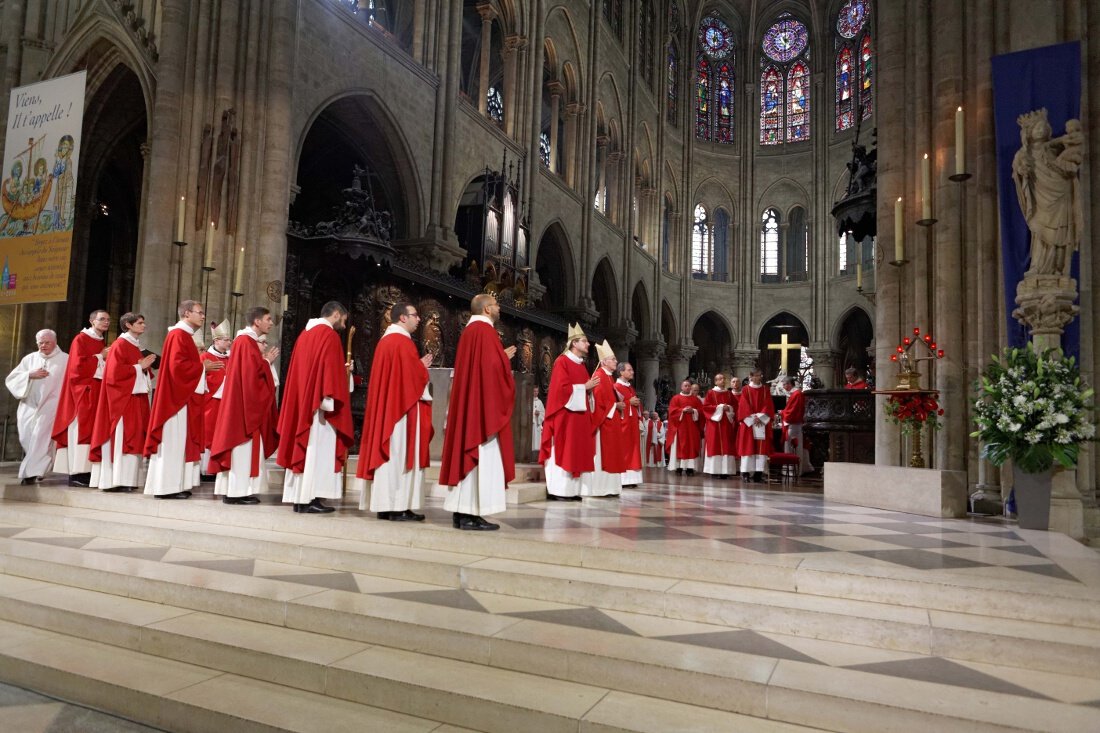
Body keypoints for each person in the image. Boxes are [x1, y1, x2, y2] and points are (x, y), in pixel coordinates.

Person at [439, 293, 516, 530]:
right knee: (481, 455)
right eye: (496, 305)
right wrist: (504, 358)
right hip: (481, 413)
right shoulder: (484, 332)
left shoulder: (471, 332)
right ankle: (471, 514)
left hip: (471, 407)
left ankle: (462, 512)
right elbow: (490, 370)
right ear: (486, 310)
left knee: (470, 455)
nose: (499, 308)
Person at [355, 301, 433, 522]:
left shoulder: (386, 341)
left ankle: (386, 505)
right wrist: (422, 368)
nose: (419, 319)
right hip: (400, 414)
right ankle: (398, 506)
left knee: (390, 458)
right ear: (402, 318)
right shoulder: (401, 342)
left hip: (388, 410)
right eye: (415, 315)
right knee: (398, 455)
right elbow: (410, 380)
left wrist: (416, 366)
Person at [277, 301, 354, 514]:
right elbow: (327, 373)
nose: (344, 326)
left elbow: (316, 369)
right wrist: (336, 387)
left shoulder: (305, 334)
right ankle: (309, 497)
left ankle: (300, 498)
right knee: (316, 450)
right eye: (344, 320)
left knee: (306, 448)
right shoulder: (328, 336)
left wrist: (341, 371)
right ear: (337, 314)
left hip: (304, 403)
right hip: (320, 409)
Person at [208, 307, 280, 505]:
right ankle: (237, 491)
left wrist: (264, 362)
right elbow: (250, 378)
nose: (271, 323)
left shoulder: (245, 342)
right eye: (268, 319)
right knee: (241, 447)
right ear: (257, 322)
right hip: (243, 408)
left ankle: (236, 490)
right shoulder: (246, 342)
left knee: (244, 449)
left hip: (241, 404)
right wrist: (266, 362)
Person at [145, 301, 215, 499]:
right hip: (176, 399)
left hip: (182, 396)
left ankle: (176, 485)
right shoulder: (178, 335)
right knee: (173, 442)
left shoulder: (184, 335)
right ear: (186, 314)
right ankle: (166, 487)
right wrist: (203, 368)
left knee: (179, 442)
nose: (202, 316)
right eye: (199, 313)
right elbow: (178, 368)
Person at [89, 313, 155, 492]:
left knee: (134, 438)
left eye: (143, 322)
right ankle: (115, 480)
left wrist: (145, 369)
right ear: (128, 324)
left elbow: (137, 369)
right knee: (122, 439)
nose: (144, 325)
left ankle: (128, 480)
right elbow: (113, 374)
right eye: (140, 323)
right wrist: (138, 367)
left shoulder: (135, 346)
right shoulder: (120, 344)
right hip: (122, 401)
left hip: (135, 398)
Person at [539, 323, 600, 500]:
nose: (588, 344)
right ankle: (558, 490)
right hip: (564, 417)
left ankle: (572, 491)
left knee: (577, 452)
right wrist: (584, 387)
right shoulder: (562, 362)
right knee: (564, 450)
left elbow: (583, 390)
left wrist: (588, 390)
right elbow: (560, 391)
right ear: (574, 343)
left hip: (579, 418)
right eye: (584, 341)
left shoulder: (581, 366)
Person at [51, 310, 109, 486]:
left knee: (92, 431)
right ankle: (76, 473)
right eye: (101, 319)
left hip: (96, 391)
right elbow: (77, 367)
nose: (106, 322)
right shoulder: (81, 339)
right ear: (92, 321)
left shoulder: (101, 341)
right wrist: (101, 357)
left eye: (108, 320)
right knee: (81, 430)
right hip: (83, 392)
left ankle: (89, 471)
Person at [5, 329, 68, 484]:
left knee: (41, 438)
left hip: (51, 407)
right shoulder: (30, 359)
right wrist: (29, 375)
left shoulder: (65, 359)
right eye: (40, 342)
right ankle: (39, 467)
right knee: (26, 437)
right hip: (28, 406)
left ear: (55, 342)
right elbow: (11, 378)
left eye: (47, 342)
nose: (43, 345)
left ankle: (30, 474)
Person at [581, 340, 624, 498]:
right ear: (604, 362)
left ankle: (610, 488)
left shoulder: (609, 377)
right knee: (602, 456)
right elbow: (597, 402)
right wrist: (615, 406)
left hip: (610, 422)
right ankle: (600, 488)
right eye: (613, 359)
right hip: (603, 424)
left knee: (613, 455)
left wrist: (616, 405)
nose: (616, 361)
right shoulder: (599, 376)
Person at [199, 319, 231, 479]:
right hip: (210, 402)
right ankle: (206, 469)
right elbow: (199, 379)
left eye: (229, 339)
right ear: (216, 340)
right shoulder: (205, 356)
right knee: (208, 433)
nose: (229, 342)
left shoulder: (230, 358)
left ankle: (218, 466)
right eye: (226, 340)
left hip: (225, 404)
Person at [736, 368, 776, 483]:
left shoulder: (765, 390)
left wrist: (761, 417)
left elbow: (768, 404)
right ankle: (745, 472)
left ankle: (758, 473)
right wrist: (753, 418)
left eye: (760, 375)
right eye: (756, 375)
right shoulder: (745, 389)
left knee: (760, 448)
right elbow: (743, 405)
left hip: (761, 423)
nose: (759, 377)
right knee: (748, 447)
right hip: (749, 423)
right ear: (751, 377)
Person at [702, 373, 738, 479]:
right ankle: (714, 470)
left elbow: (735, 406)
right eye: (720, 379)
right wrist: (721, 407)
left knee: (727, 446)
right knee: (714, 445)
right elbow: (706, 407)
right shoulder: (710, 393)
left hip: (726, 424)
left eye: (724, 378)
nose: (723, 380)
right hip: (714, 424)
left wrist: (729, 409)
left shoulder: (729, 393)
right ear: (716, 382)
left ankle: (725, 471)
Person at [613, 362, 643, 488]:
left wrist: (636, 404)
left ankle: (632, 478)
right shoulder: (616, 386)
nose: (632, 372)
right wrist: (628, 402)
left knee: (634, 450)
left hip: (632, 424)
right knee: (624, 450)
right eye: (629, 370)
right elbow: (613, 404)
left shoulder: (630, 388)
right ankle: (623, 480)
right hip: (622, 424)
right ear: (621, 372)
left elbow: (634, 404)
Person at [666, 379, 701, 475]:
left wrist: (694, 411)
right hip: (679, 427)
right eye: (685, 385)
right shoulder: (675, 398)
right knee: (679, 447)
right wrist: (682, 410)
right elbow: (672, 412)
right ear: (681, 387)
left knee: (691, 446)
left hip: (692, 428)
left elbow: (701, 411)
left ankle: (690, 468)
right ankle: (678, 468)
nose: (687, 387)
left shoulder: (695, 399)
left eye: (689, 386)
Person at [780, 376, 812, 475]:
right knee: (794, 446)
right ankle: (795, 469)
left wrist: (782, 413)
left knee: (792, 446)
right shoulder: (796, 394)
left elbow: (793, 411)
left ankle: (792, 471)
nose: (783, 386)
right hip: (794, 424)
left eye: (784, 384)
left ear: (789, 384)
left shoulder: (797, 394)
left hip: (793, 424)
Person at [531, 385, 545, 461]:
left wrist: (538, 414)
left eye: (536, 391)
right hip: (531, 425)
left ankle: (537, 457)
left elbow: (543, 413)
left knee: (537, 441)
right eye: (534, 391)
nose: (535, 393)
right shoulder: (529, 401)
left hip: (537, 424)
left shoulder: (540, 402)